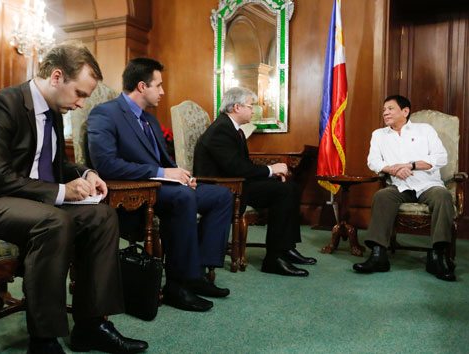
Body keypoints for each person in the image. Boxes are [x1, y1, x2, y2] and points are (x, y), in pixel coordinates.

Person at [0, 43, 148, 354]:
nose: (81, 104)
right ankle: (44, 340)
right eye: (80, 94)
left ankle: (92, 326)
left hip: (25, 201)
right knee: (54, 220)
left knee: (102, 217)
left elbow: (54, 165)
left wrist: (86, 173)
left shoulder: (54, 114)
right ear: (57, 77)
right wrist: (63, 192)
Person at [87, 57, 233, 313]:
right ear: (142, 86)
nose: (163, 92)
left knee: (221, 196)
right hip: (133, 192)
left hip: (163, 189)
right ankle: (178, 285)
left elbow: (164, 161)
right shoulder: (105, 113)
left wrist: (183, 175)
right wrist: (161, 172)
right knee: (183, 198)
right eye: (159, 85)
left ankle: (197, 273)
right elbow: (107, 164)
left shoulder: (151, 120)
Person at [193, 87, 317, 277]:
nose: (253, 110)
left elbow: (242, 166)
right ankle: (274, 259)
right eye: (250, 106)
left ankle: (285, 248)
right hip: (223, 188)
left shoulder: (233, 129)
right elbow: (236, 168)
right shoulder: (221, 130)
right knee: (283, 191)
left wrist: (272, 173)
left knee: (289, 186)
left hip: (237, 182)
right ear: (236, 107)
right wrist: (270, 170)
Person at [353, 95, 456, 281]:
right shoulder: (379, 135)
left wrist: (411, 165)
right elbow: (373, 161)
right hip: (399, 186)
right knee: (382, 196)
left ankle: (437, 256)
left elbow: (441, 157)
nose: (385, 112)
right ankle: (378, 255)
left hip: (428, 184)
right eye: (384, 109)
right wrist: (391, 169)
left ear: (405, 111)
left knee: (443, 196)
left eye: (390, 108)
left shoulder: (425, 130)